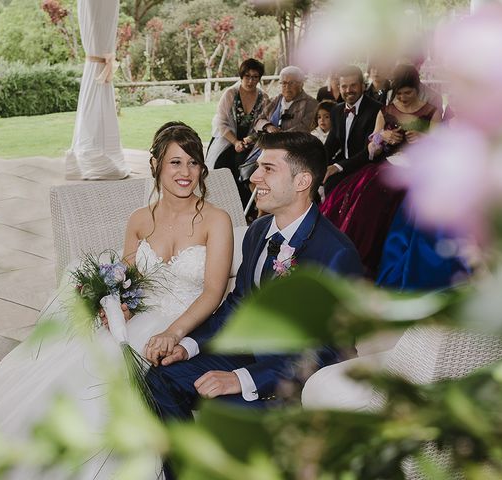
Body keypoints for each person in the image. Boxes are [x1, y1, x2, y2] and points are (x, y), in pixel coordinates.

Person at [0, 122, 234, 479]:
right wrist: (118, 304)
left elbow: (212, 292)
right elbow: (128, 280)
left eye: (193, 162)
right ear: (155, 164)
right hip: (140, 319)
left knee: (116, 373)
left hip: (185, 322)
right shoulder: (140, 220)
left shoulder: (216, 220)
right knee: (79, 365)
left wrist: (173, 333)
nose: (185, 172)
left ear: (203, 169)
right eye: (175, 162)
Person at [146, 133, 363, 478]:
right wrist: (187, 346)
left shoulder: (336, 254)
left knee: (225, 410)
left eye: (267, 168)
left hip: (293, 375)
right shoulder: (258, 230)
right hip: (248, 350)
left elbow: (327, 353)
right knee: (161, 377)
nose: (253, 177)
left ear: (302, 181)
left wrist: (240, 379)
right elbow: (238, 305)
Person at [320, 64, 442, 278]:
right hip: (387, 166)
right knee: (367, 196)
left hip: (419, 169)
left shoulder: (432, 112)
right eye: (399, 93)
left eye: (408, 93)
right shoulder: (385, 111)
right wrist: (382, 137)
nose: (403, 98)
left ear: (417, 89)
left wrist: (425, 140)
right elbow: (373, 146)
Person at [205, 58, 268, 207]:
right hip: (227, 138)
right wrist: (235, 142)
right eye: (247, 76)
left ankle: (243, 207)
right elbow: (221, 121)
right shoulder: (230, 94)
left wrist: (250, 139)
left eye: (255, 77)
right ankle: (221, 204)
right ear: (241, 76)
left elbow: (264, 122)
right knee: (222, 164)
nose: (251, 81)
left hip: (250, 141)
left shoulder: (263, 98)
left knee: (245, 167)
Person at [322, 65, 383, 194]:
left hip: (367, 167)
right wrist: (316, 166)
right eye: (344, 86)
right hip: (344, 164)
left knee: (332, 187)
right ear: (339, 87)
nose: (348, 90)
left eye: (353, 85)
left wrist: (337, 167)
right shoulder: (337, 110)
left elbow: (368, 151)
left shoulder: (377, 111)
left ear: (363, 86)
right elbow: (330, 146)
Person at [253, 66, 318, 134]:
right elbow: (258, 120)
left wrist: (280, 135)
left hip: (296, 143)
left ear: (301, 84)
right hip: (269, 142)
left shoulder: (311, 104)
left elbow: (305, 128)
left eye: (292, 83)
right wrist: (268, 126)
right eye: (284, 83)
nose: (287, 87)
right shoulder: (272, 101)